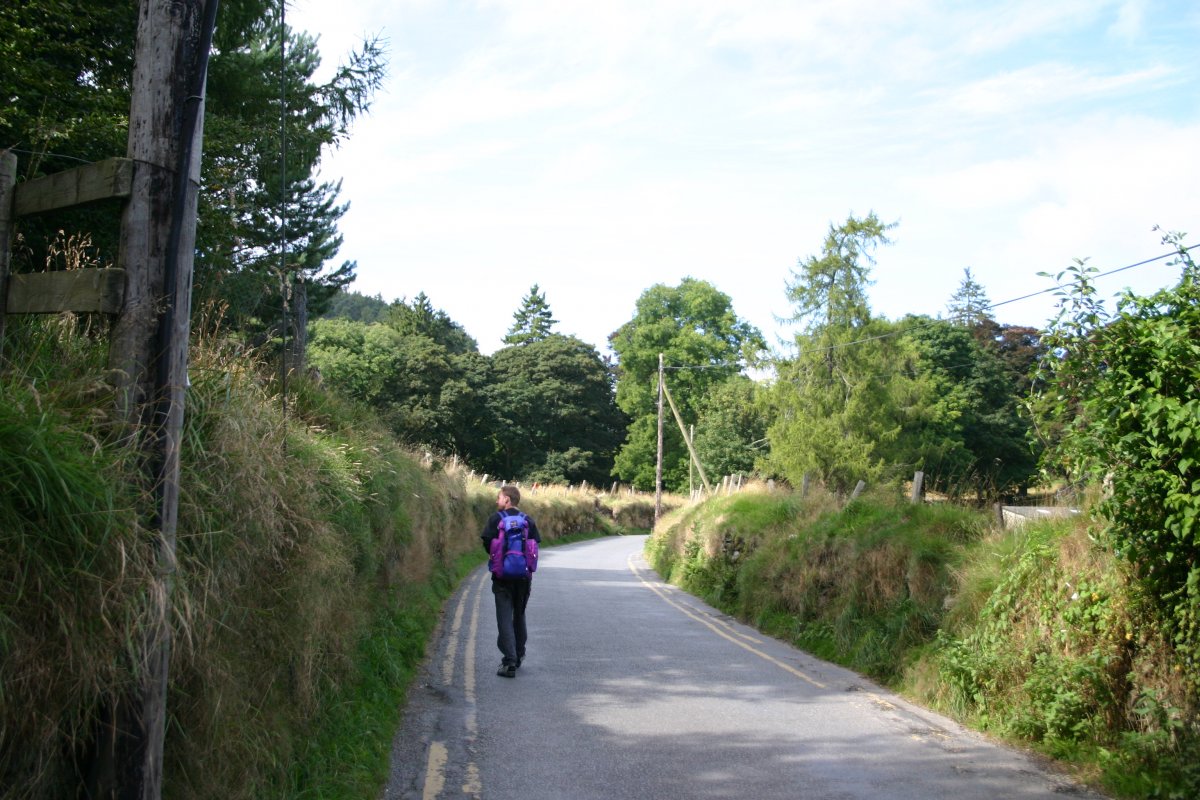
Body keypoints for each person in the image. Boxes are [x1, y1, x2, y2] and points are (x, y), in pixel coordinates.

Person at [481, 485, 541, 678]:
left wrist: (500, 561)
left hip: (502, 578)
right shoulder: (527, 520)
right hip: (523, 578)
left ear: (507, 499)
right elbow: (534, 544)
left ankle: (509, 661)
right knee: (519, 614)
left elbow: (487, 542)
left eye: (499, 497)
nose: (497, 501)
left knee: (504, 617)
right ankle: (520, 653)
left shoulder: (495, 519)